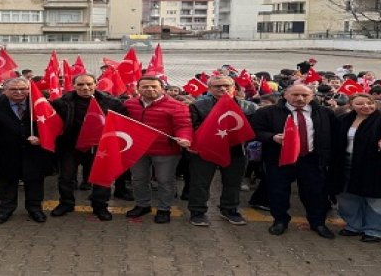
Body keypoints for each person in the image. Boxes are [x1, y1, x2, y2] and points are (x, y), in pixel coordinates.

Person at [251, 83, 338, 238]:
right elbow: (255, 131)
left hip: (311, 159)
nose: (300, 98)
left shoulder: (324, 113)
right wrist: (272, 137)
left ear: (312, 96)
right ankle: (280, 221)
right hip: (280, 158)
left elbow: (334, 133)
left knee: (315, 193)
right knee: (278, 191)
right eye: (295, 94)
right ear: (285, 95)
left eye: (304, 95)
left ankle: (318, 223)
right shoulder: (268, 112)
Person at [50, 73, 127, 221]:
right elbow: (52, 123)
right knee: (66, 177)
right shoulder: (61, 102)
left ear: (96, 84)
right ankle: (66, 203)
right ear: (73, 86)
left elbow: (122, 123)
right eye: (80, 85)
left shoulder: (112, 102)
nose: (85, 88)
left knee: (101, 178)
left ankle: (100, 206)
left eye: (89, 84)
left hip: (100, 147)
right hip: (70, 146)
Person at [187, 75, 256, 227]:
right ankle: (197, 212)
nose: (222, 89)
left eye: (226, 85)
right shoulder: (198, 106)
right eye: (217, 86)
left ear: (234, 87)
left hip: (236, 150)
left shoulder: (249, 107)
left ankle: (229, 210)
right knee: (200, 182)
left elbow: (253, 130)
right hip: (206, 151)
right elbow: (192, 127)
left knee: (233, 183)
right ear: (209, 89)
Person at [0, 78, 54, 224]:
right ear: (5, 90)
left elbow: (52, 127)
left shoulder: (40, 104)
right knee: (6, 182)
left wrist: (41, 139)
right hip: (4, 152)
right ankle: (5, 210)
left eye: (23, 89)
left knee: (34, 182)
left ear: (28, 89)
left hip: (34, 152)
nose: (19, 92)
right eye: (13, 89)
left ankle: (35, 209)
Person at [123, 76, 192, 224]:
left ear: (162, 88)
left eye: (154, 86)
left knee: (165, 181)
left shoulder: (177, 106)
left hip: (165, 150)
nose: (150, 89)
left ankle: (164, 209)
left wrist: (185, 138)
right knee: (139, 179)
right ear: (138, 89)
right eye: (145, 87)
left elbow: (183, 126)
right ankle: (142, 205)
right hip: (138, 149)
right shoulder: (129, 104)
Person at [330, 94, 381, 243]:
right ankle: (354, 225)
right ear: (350, 105)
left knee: (377, 199)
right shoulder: (342, 120)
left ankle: (377, 230)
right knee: (347, 196)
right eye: (360, 103)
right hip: (345, 163)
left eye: (370, 102)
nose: (366, 106)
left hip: (375, 165)